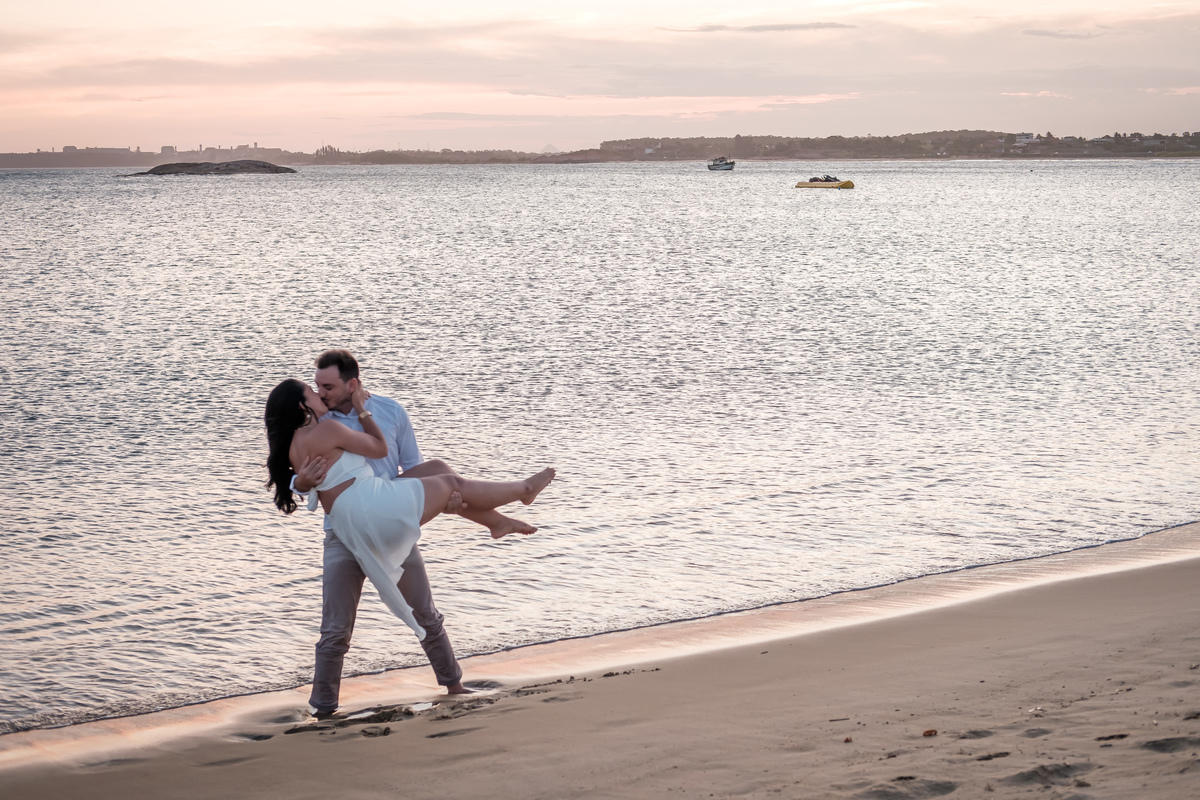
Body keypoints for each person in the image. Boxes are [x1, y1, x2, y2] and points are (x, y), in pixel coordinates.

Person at [267, 351, 552, 716]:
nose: (322, 394)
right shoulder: (323, 424)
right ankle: (324, 708)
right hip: (347, 528)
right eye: (316, 387)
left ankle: (454, 684)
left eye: (327, 386)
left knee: (426, 608)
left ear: (352, 384)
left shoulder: (391, 412)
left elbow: (415, 468)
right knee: (336, 628)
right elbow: (298, 477)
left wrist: (444, 501)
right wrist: (299, 482)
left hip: (387, 510)